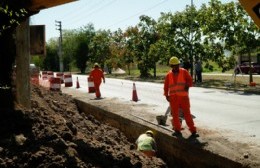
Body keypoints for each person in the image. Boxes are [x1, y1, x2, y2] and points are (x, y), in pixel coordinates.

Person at [164, 56, 198, 137]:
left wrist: (187, 85)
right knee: (175, 115)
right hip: (173, 98)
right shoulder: (169, 75)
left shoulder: (184, 72)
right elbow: (166, 86)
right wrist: (166, 95)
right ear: (171, 66)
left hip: (183, 97)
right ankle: (177, 130)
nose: (175, 67)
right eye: (173, 66)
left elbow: (190, 81)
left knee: (187, 114)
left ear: (179, 65)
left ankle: (193, 131)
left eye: (176, 65)